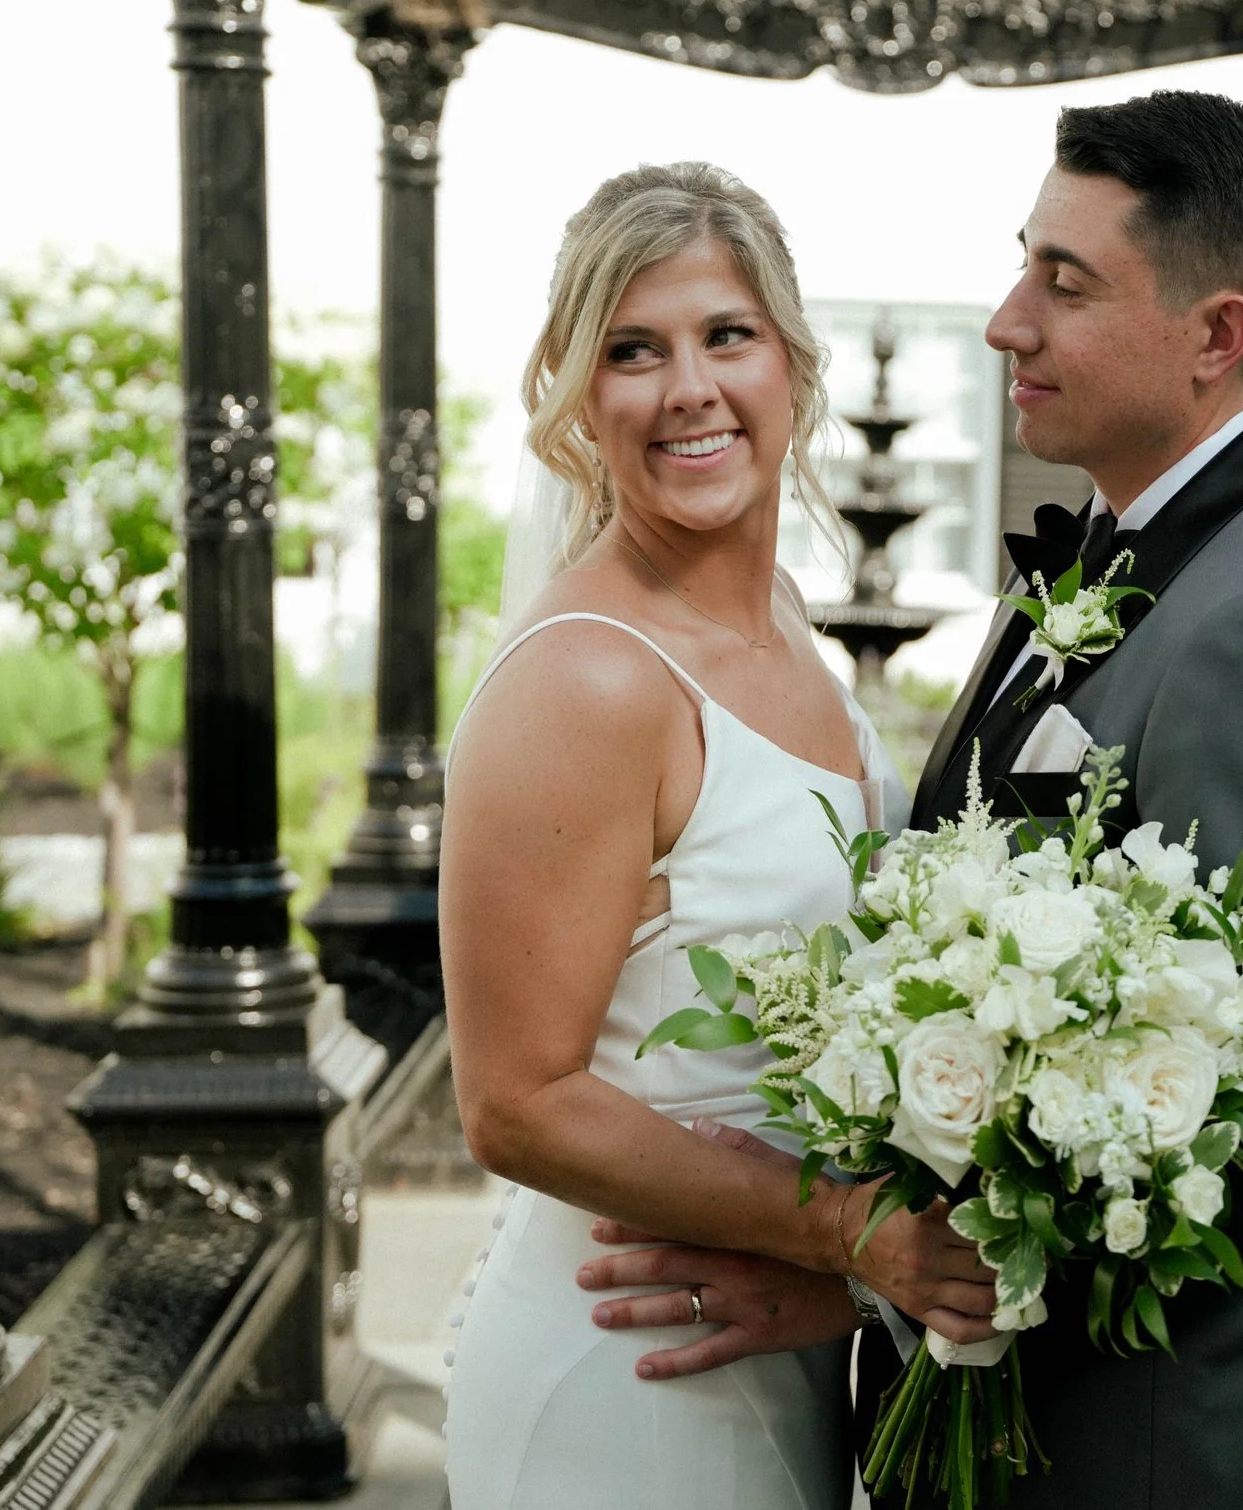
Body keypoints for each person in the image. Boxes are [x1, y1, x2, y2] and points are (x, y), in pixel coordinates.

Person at [584, 92, 1243, 1508]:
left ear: (1218, 334)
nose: (1007, 320)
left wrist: (874, 1267)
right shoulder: (1107, 552)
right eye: (1022, 263)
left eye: (1066, 282)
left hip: (1182, 1452)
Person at [438, 162, 1000, 1510]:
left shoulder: (791, 636)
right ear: (581, 396)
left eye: (724, 336)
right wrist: (858, 1232)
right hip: (622, 1374)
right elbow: (514, 1100)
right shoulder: (590, 677)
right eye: (634, 350)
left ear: (793, 370)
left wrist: (849, 1271)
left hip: (772, 1349)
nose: (686, 386)